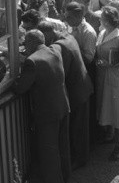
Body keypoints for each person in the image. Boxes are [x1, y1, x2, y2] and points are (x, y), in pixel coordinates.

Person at [12, 30, 70, 183]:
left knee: (48, 149)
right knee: (62, 144)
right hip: (63, 104)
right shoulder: (55, 50)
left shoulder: (32, 61)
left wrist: (10, 81)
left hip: (47, 111)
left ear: (30, 43)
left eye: (25, 44)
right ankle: (65, 176)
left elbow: (21, 88)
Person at [39, 21, 93, 170]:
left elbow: (61, 71)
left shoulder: (59, 46)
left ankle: (80, 160)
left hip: (76, 90)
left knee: (77, 128)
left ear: (48, 33)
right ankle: (81, 156)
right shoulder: (68, 37)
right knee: (81, 126)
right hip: (83, 86)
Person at [95, 6, 119, 160]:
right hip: (103, 76)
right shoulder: (103, 33)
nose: (99, 19)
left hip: (114, 78)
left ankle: (118, 146)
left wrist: (110, 65)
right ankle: (110, 135)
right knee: (107, 106)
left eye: (102, 18)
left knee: (116, 110)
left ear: (107, 21)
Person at [65, 2, 97, 67]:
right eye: (65, 16)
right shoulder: (70, 26)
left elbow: (88, 59)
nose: (66, 19)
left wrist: (73, 46)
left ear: (78, 17)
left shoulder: (88, 33)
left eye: (69, 17)